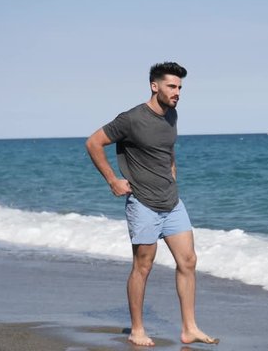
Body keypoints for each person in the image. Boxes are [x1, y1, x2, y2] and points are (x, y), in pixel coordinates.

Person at [85, 62, 219, 347]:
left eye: (180, 87)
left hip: (171, 202)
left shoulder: (172, 115)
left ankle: (189, 328)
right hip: (143, 203)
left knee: (188, 261)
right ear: (154, 86)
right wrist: (113, 181)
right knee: (143, 266)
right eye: (172, 86)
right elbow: (93, 143)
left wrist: (172, 175)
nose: (177, 92)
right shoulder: (131, 119)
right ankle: (137, 329)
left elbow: (168, 150)